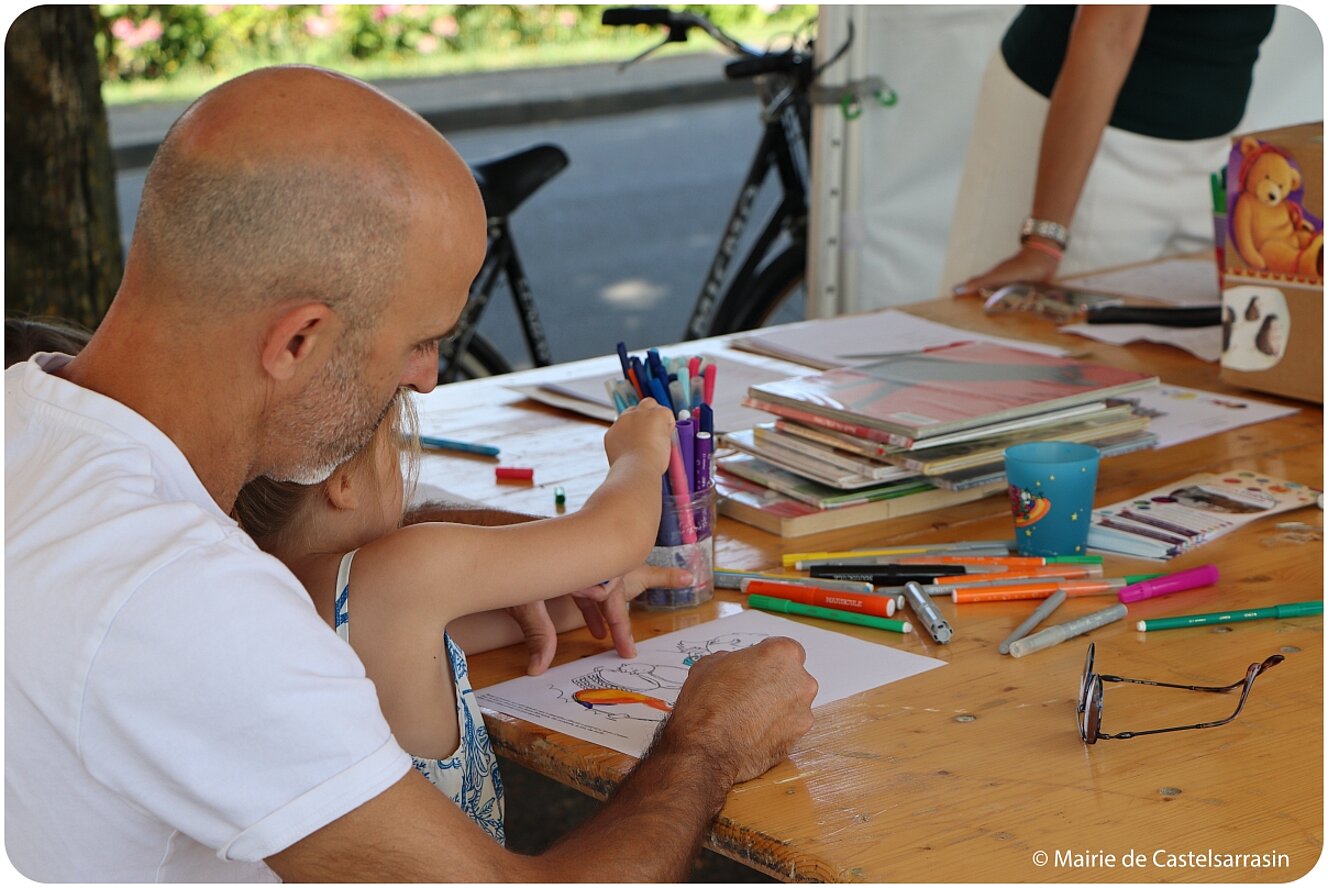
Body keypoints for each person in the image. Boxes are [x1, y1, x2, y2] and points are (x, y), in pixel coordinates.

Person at [5, 64, 817, 882]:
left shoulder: (32, 427)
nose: (427, 379)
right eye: (420, 342)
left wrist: (481, 552)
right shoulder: (181, 598)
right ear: (299, 341)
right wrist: (706, 742)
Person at [231, 388, 680, 845]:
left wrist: (606, 590)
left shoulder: (261, 591)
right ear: (342, 481)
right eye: (395, 448)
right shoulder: (401, 571)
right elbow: (618, 533)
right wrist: (638, 454)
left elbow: (480, 627)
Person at [945, 5, 1276, 297]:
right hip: (1086, 134)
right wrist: (1044, 241)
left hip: (1212, 149)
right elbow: (1109, 33)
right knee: (1007, 338)